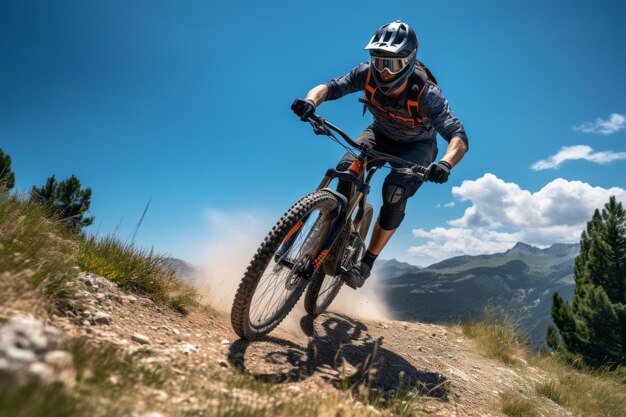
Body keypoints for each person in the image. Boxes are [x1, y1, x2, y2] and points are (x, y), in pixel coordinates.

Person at [291, 20, 468, 289]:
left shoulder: (426, 93)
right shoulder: (366, 74)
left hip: (417, 146)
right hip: (379, 135)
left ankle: (366, 263)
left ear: (409, 61)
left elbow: (458, 137)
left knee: (395, 191)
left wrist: (445, 163)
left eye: (393, 63)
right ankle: (331, 230)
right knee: (346, 169)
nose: (384, 71)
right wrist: (310, 101)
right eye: (378, 60)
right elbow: (331, 87)